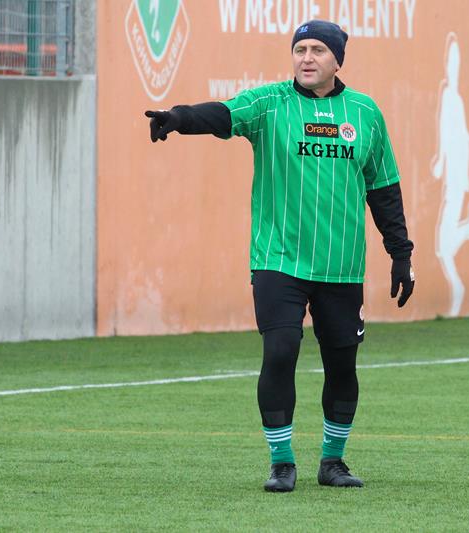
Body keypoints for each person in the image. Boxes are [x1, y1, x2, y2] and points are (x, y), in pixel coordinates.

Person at [145, 20, 414, 492]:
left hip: (341, 265)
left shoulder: (365, 113)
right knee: (280, 351)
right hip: (278, 260)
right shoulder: (270, 104)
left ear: (337, 60)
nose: (306, 58)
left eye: (317, 50)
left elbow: (384, 190)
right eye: (300, 49)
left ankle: (333, 462)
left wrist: (400, 254)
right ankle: (282, 462)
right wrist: (179, 117)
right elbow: (223, 115)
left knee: (342, 364)